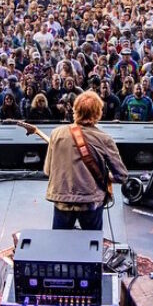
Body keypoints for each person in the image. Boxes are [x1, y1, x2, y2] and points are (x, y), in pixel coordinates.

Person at [43, 90, 127, 230]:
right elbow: (122, 176)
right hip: (90, 202)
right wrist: (106, 176)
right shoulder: (105, 139)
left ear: (75, 110)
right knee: (92, 246)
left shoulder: (56, 133)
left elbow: (48, 171)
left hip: (62, 201)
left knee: (58, 247)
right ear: (98, 113)